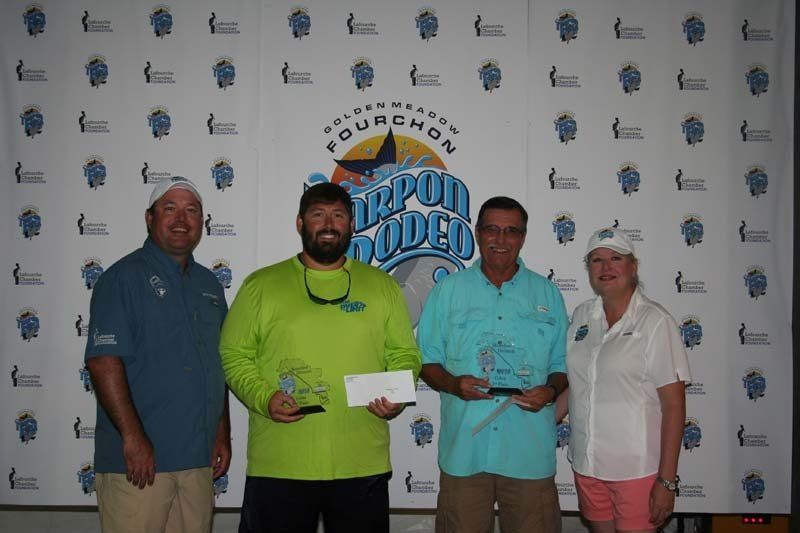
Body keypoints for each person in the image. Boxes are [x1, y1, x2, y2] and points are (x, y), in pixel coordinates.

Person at [219, 182, 421, 533]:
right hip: (280, 464)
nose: (329, 223)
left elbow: (404, 353)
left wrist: (396, 396)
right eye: (318, 215)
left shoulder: (383, 286)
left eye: (339, 215)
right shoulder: (260, 285)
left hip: (361, 464)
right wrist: (264, 398)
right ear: (300, 224)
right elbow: (234, 354)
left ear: (352, 225)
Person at [84, 176, 231, 533]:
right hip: (139, 463)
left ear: (202, 222)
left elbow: (217, 364)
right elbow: (104, 361)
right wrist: (133, 439)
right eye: (170, 208)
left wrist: (221, 432)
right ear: (149, 219)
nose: (182, 218)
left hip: (196, 461)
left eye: (191, 210)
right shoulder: (122, 278)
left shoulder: (209, 285)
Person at [418, 196, 568, 533]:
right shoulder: (448, 291)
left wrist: (551, 389)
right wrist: (454, 384)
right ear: (477, 233)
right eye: (492, 229)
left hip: (528, 451)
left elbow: (562, 364)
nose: (501, 240)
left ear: (523, 237)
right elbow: (426, 361)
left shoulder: (547, 295)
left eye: (511, 231)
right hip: (465, 452)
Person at [558, 227, 690, 532]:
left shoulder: (656, 321)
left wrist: (667, 481)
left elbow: (674, 406)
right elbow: (577, 385)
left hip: (636, 471)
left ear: (633, 267)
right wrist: (536, 418)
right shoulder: (580, 317)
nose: (606, 267)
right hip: (587, 465)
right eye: (596, 260)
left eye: (616, 258)